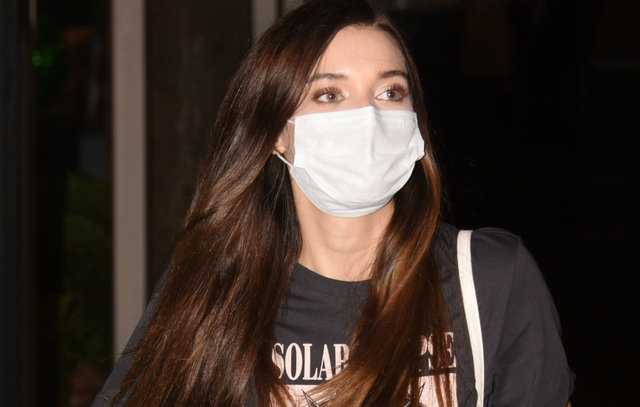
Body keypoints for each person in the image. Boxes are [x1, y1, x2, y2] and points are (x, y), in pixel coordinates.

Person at [92, 0, 574, 406]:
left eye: (390, 91)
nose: (368, 117)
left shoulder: (491, 279)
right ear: (276, 132)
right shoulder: (217, 287)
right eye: (329, 94)